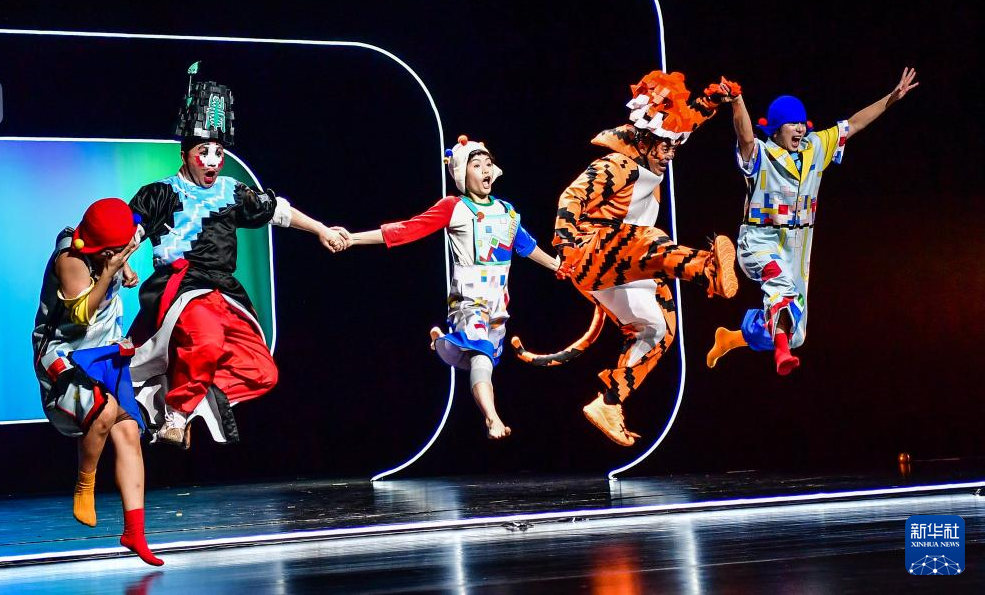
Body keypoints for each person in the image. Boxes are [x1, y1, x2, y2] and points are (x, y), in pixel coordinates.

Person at [511, 71, 739, 446]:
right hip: (591, 251)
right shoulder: (617, 165)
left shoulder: (654, 151)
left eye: (674, 147)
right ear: (646, 140)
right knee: (650, 239)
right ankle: (708, 270)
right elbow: (571, 197)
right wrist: (565, 247)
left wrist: (712, 100)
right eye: (664, 147)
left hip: (624, 264)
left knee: (659, 331)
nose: (670, 155)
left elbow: (686, 123)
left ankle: (609, 402)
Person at [129, 65, 348, 448]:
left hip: (223, 292)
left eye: (218, 152)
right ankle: (176, 414)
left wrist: (321, 230)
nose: (213, 160)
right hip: (182, 288)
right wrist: (123, 262)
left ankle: (186, 405)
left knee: (262, 371)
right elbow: (131, 230)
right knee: (208, 341)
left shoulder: (231, 191)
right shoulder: (160, 193)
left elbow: (279, 211)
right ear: (185, 154)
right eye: (203, 152)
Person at [706, 68, 919, 375]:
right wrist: (737, 101)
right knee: (781, 290)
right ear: (776, 130)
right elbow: (745, 137)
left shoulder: (815, 147)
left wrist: (892, 98)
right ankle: (781, 356)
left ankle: (734, 338)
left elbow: (855, 123)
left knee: (796, 333)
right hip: (759, 242)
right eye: (792, 123)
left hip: (797, 250)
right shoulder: (761, 155)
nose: (799, 128)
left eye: (801, 123)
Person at [344, 135, 559, 439]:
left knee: (482, 358)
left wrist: (558, 266)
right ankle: (492, 418)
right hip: (469, 301)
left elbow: (526, 246)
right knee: (481, 354)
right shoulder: (454, 207)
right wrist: (353, 238)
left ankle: (443, 342)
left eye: (488, 164)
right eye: (477, 165)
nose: (485, 169)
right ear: (462, 174)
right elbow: (408, 229)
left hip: (498, 305)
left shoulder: (507, 212)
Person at [32, 197, 163, 565]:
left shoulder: (114, 245)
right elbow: (81, 316)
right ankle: (84, 484)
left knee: (128, 430)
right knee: (104, 411)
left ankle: (135, 532)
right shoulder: (70, 261)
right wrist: (110, 272)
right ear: (104, 250)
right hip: (66, 354)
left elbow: (127, 233)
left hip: (105, 350)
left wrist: (125, 270)